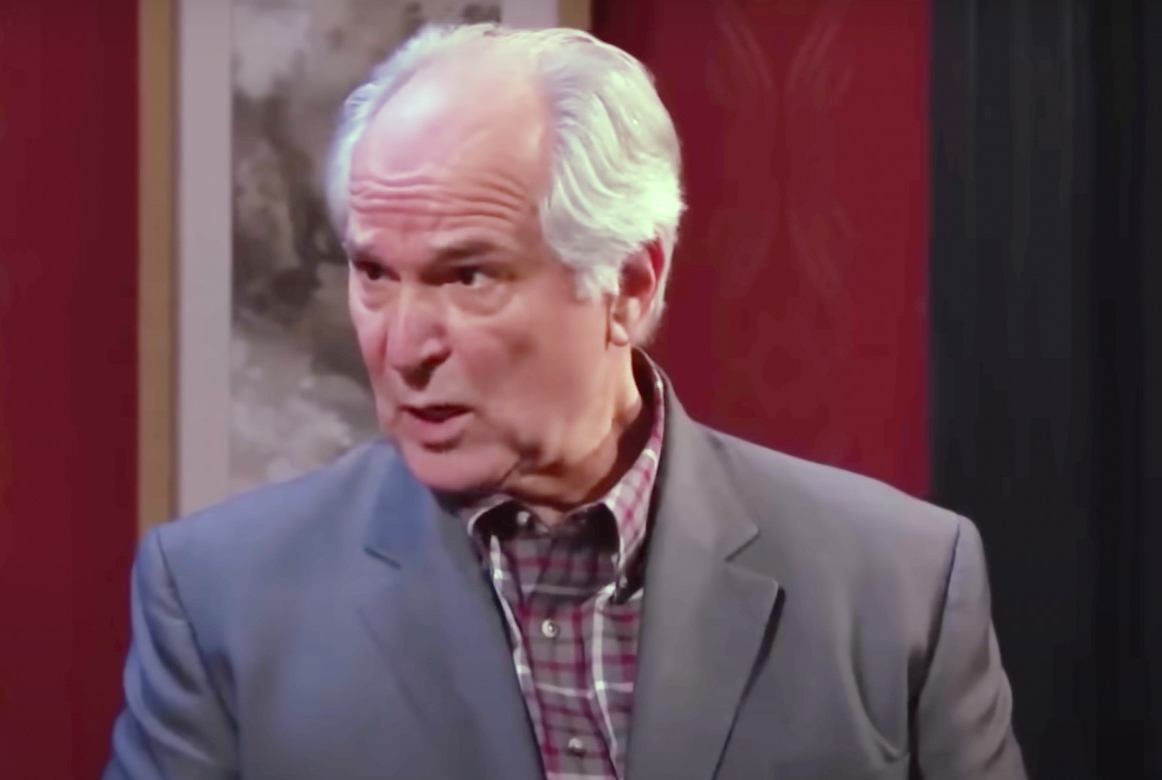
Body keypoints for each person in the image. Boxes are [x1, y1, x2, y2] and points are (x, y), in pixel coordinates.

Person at [105, 23, 1026, 780]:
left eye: (468, 276)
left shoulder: (900, 586)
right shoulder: (222, 603)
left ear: (629, 283)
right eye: (374, 273)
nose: (403, 345)